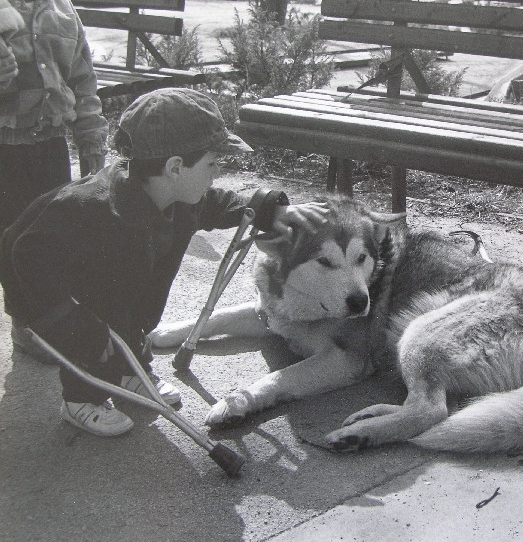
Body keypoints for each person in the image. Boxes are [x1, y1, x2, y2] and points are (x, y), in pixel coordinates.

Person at [0, 87, 328, 437]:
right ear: (175, 167)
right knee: (96, 334)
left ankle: (129, 370)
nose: (216, 174)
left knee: (132, 316)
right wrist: (66, 319)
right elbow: (26, 253)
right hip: (50, 293)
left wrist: (266, 206)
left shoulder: (182, 195)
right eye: (212, 164)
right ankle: (81, 399)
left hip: (123, 293)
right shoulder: (90, 209)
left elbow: (218, 202)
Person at [0, 0, 108, 236]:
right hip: (4, 153)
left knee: (47, 244)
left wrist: (92, 142)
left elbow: (83, 81)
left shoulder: (60, 3)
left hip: (51, 149)